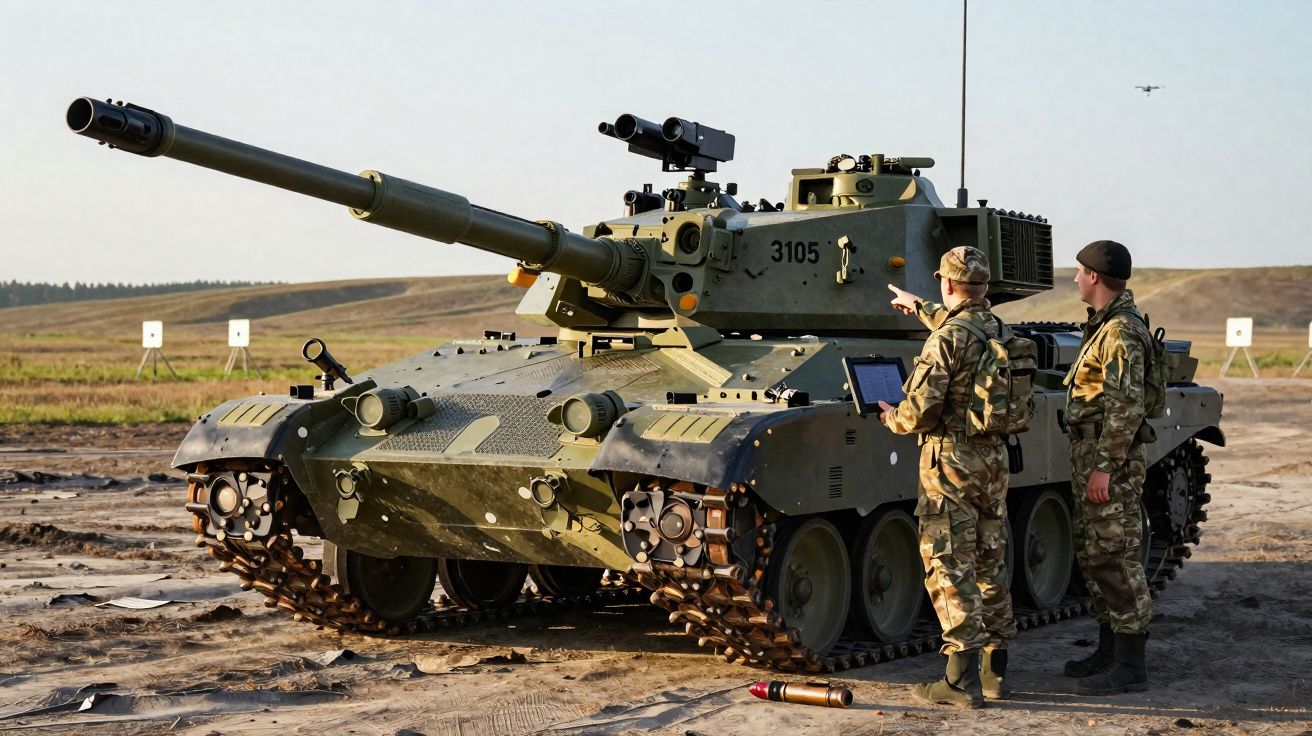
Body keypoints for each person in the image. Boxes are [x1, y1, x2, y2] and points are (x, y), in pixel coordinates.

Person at [881, 246, 1016, 708]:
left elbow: (919, 412)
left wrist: (890, 417)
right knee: (989, 561)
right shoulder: (999, 329)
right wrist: (918, 305)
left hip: (951, 463)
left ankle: (958, 682)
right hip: (993, 459)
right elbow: (961, 324)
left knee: (948, 564)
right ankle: (995, 673)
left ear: (948, 283)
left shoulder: (945, 340)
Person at [1061, 240, 1153, 695]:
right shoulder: (1105, 326)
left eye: (1079, 272)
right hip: (1094, 454)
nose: (1075, 279)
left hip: (1107, 460)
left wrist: (1104, 468)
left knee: (1117, 558)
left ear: (1094, 276)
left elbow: (1126, 407)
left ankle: (1131, 666)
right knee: (1096, 556)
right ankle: (1108, 649)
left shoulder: (1119, 331)